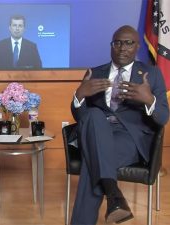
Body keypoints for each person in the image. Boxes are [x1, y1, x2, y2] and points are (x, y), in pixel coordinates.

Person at [70, 25, 169, 224]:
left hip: (129, 139)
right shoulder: (95, 73)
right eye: (117, 43)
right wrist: (79, 95)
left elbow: (163, 117)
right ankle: (114, 194)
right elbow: (81, 118)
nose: (122, 48)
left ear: (138, 46)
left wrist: (149, 101)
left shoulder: (152, 74)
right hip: (96, 132)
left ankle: (113, 197)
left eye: (128, 43)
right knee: (94, 115)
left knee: (94, 162)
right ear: (111, 46)